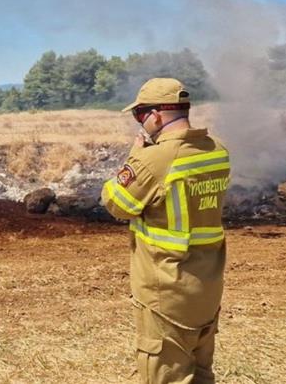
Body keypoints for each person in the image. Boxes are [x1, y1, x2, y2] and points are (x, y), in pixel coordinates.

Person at [100, 78, 229, 384]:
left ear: (156, 115)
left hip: (166, 289)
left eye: (139, 114)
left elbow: (116, 203)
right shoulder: (218, 152)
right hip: (207, 286)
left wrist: (136, 157)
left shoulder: (154, 159)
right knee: (200, 374)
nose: (140, 121)